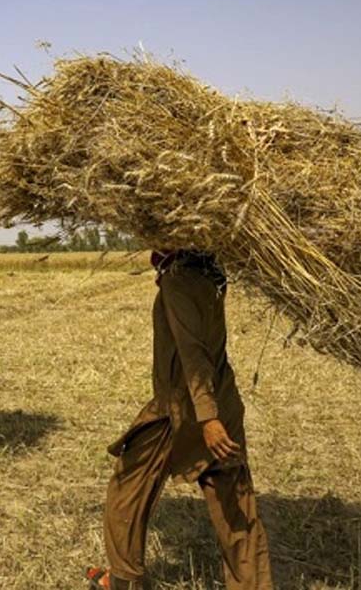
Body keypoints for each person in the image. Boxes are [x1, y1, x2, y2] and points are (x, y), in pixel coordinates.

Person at [87, 250, 272, 590]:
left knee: (128, 486)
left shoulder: (178, 280)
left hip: (182, 413)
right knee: (236, 506)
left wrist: (208, 419)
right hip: (223, 401)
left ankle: (123, 579)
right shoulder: (211, 274)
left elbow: (192, 352)